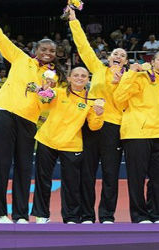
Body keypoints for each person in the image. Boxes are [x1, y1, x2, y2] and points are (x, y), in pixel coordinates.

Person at [0, 0, 65, 224]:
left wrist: (47, 92)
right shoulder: (20, 58)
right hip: (5, 113)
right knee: (1, 164)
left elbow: (49, 105)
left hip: (29, 120)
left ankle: (21, 214)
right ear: (36, 49)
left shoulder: (53, 76)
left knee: (24, 167)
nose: (48, 53)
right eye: (44, 49)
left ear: (55, 54)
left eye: (52, 51)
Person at [67, 7, 128, 224]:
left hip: (114, 127)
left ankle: (107, 215)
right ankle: (86, 215)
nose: (118, 56)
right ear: (109, 57)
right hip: (91, 125)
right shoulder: (98, 69)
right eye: (115, 54)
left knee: (110, 175)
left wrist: (123, 80)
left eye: (122, 55)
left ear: (126, 62)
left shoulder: (130, 78)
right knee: (87, 173)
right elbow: (83, 47)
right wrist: (74, 20)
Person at [114, 52, 159, 223]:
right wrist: (130, 74)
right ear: (152, 62)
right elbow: (119, 98)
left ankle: (156, 214)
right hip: (137, 133)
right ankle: (139, 216)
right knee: (136, 178)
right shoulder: (140, 77)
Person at [31, 67, 104, 224]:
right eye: (76, 75)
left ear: (88, 79)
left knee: (71, 183)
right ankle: (41, 215)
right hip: (47, 139)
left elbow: (94, 126)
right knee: (43, 179)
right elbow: (44, 100)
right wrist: (43, 91)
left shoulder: (91, 99)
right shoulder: (58, 91)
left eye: (83, 76)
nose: (79, 78)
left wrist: (99, 115)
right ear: (69, 78)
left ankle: (71, 217)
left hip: (72, 144)